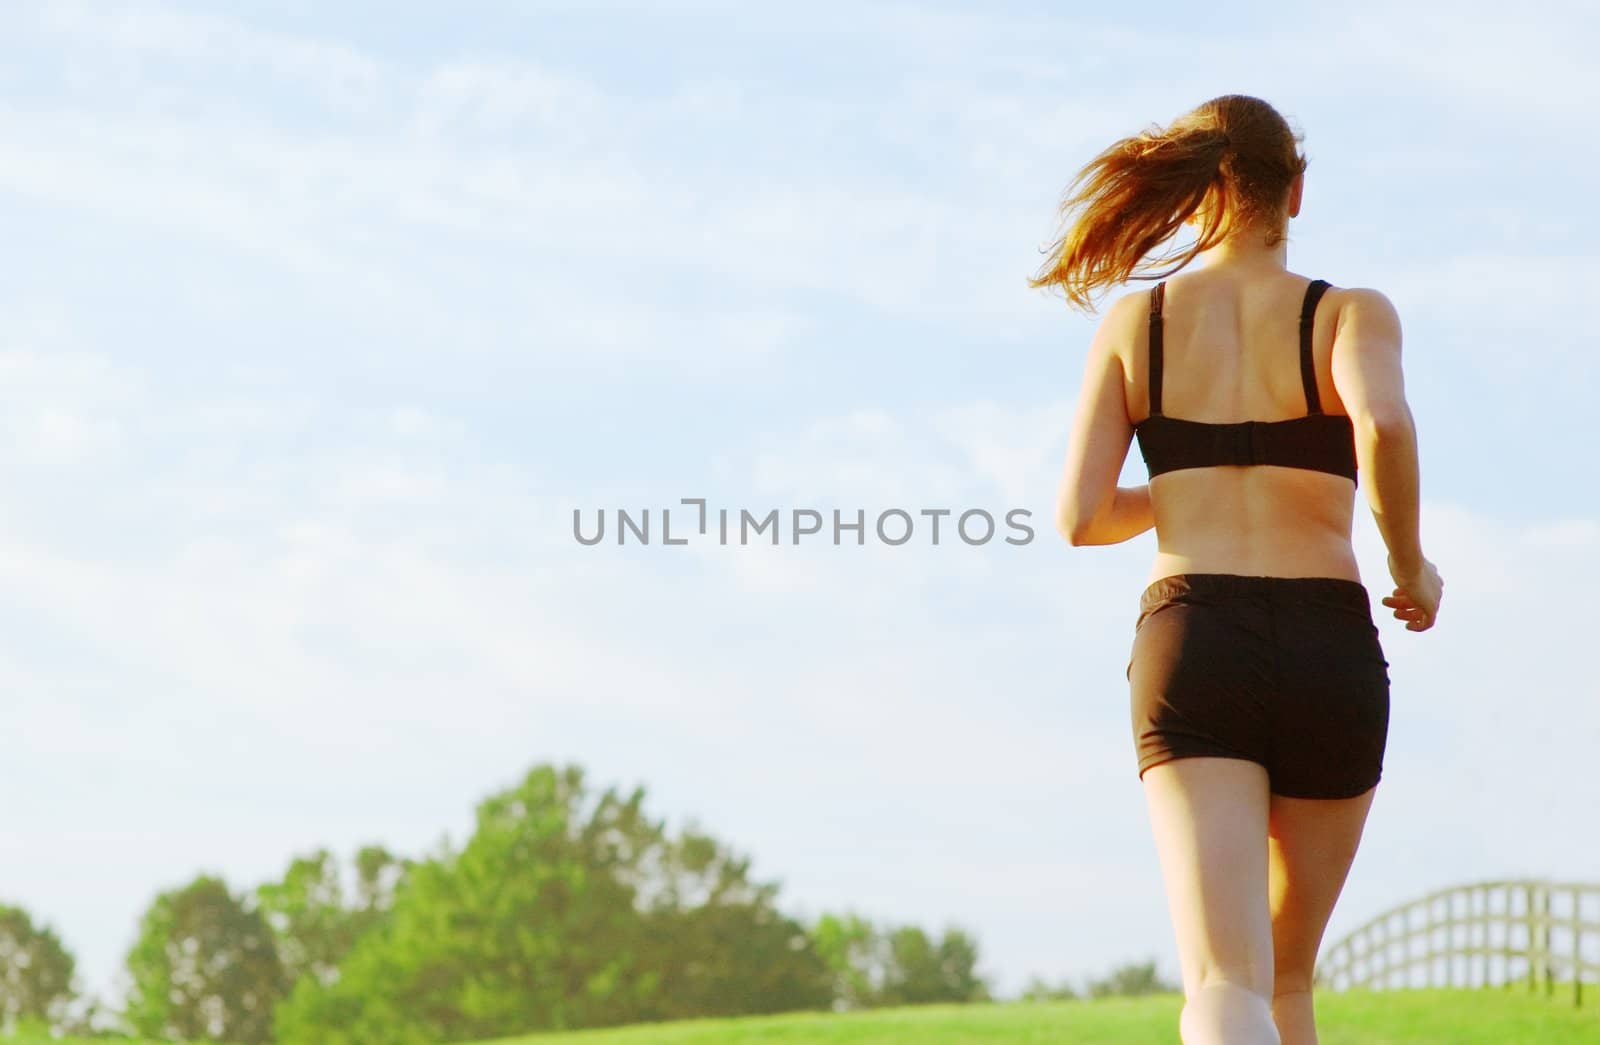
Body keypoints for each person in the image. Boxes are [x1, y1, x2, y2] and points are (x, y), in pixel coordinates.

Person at [1028, 94, 1444, 1045]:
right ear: (1295, 193)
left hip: (1194, 639)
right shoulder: (1347, 313)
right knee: (1288, 978)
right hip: (1328, 645)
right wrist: (1411, 565)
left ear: (1194, 195)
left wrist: (1186, 491)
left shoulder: (1139, 325)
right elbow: (1382, 425)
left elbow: (1081, 517)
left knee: (1225, 980)